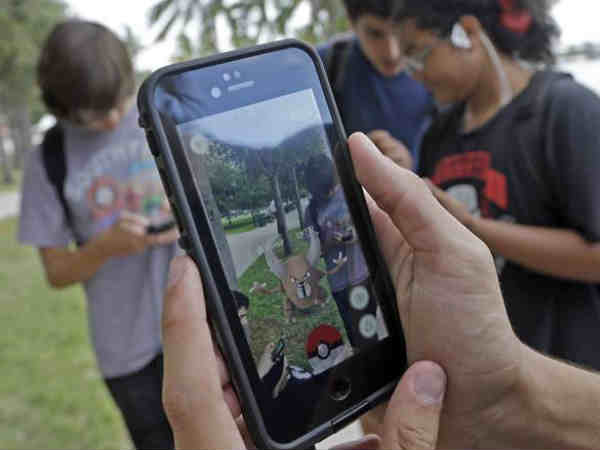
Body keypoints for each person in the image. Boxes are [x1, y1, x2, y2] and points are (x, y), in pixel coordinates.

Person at [161, 132, 600, 449]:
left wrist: (503, 396)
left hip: (356, 277)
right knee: (357, 336)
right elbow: (324, 237)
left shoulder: (335, 200)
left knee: (368, 339)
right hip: (339, 281)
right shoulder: (319, 204)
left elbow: (344, 234)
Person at [370, 0, 600, 373]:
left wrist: (476, 229)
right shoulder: (438, 136)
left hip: (568, 383)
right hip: (489, 383)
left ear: (468, 33)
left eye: (417, 54)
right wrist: (407, 178)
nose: (413, 74)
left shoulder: (564, 111)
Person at [19, 21, 178, 449]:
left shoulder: (165, 106)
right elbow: (56, 271)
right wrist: (107, 246)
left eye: (118, 103)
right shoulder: (48, 160)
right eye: (94, 115)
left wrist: (186, 213)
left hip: (205, 322)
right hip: (127, 354)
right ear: (62, 109)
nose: (112, 119)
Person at [318, 0, 434, 170]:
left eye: (399, 32)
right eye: (375, 34)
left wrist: (410, 169)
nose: (392, 52)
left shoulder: (438, 68)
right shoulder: (322, 65)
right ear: (352, 22)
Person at [304, 153, 380, 349]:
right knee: (357, 339)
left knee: (372, 332)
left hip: (363, 276)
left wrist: (355, 234)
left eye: (329, 188)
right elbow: (313, 254)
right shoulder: (311, 211)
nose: (328, 194)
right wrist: (328, 242)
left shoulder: (350, 192)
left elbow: (374, 226)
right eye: (322, 192)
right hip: (339, 285)